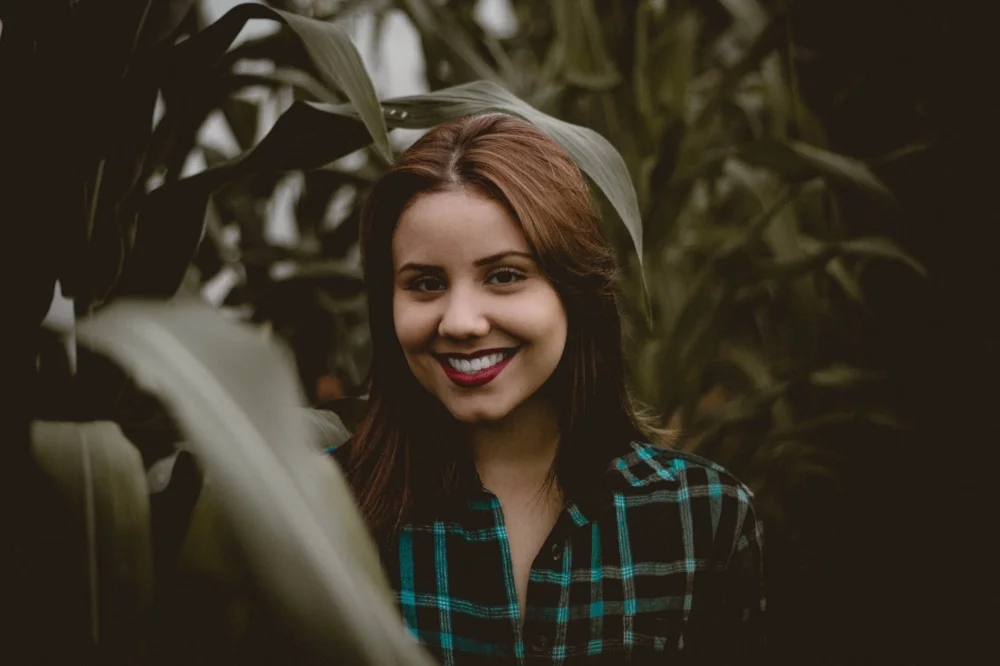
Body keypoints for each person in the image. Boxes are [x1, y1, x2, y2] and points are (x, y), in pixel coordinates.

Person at [329, 113, 765, 665]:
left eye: (505, 275)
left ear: (575, 292)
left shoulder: (703, 519)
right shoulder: (317, 511)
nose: (460, 321)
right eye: (425, 283)